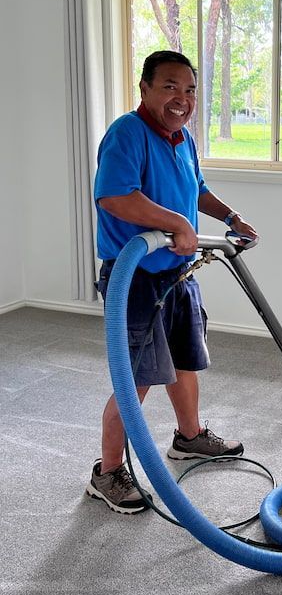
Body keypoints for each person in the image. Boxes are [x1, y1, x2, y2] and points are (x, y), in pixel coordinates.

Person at [86, 50, 258, 515]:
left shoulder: (182, 138)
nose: (181, 98)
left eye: (190, 90)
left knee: (185, 361)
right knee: (134, 380)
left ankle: (188, 437)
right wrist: (175, 223)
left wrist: (230, 216)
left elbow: (197, 188)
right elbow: (114, 196)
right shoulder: (128, 132)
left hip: (177, 274)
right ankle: (106, 472)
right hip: (135, 278)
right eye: (169, 87)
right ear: (144, 88)